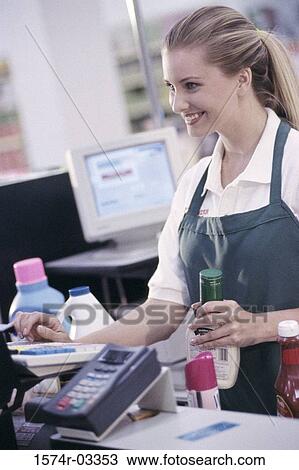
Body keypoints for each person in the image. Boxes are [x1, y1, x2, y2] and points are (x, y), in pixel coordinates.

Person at [14, 6, 299, 415]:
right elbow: (162, 312)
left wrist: (260, 326)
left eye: (191, 85)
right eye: (170, 86)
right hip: (230, 410)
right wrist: (71, 347)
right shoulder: (194, 184)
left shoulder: (293, 164)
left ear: (242, 78)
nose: (177, 102)